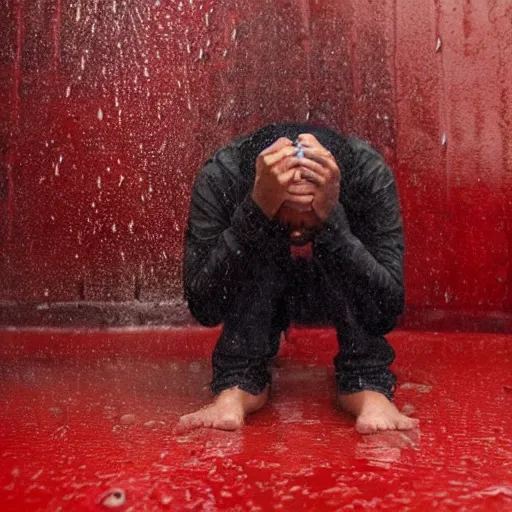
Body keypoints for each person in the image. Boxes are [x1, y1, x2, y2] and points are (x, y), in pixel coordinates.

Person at [178, 122, 419, 435]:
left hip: (330, 288)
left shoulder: (366, 174)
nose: (296, 233)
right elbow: (205, 308)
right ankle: (238, 382)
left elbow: (386, 311)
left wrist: (333, 220)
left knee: (342, 241)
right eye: (287, 214)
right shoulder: (223, 176)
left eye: (309, 217)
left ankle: (367, 383)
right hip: (259, 294)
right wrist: (256, 211)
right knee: (260, 236)